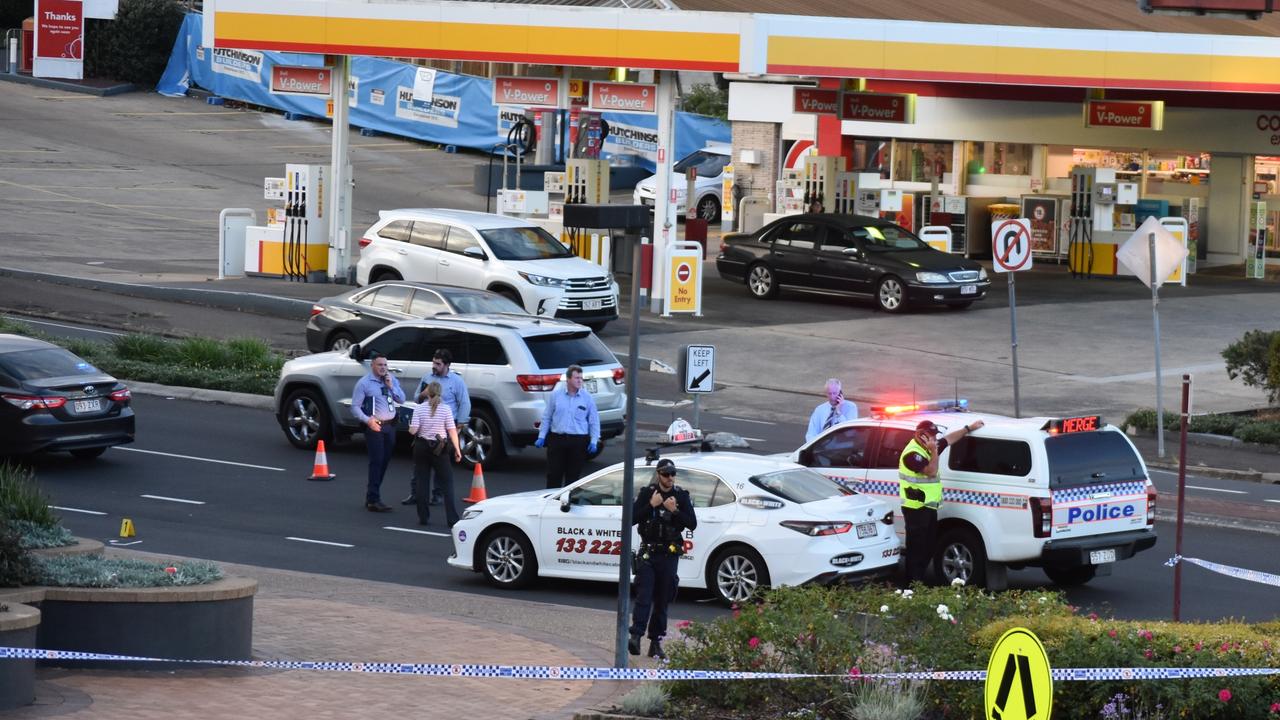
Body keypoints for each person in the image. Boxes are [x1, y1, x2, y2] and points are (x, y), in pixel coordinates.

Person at [898, 417, 984, 584]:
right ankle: (912, 585)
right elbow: (931, 471)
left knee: (929, 547)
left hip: (928, 508)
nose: (934, 439)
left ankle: (918, 582)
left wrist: (968, 428)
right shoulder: (912, 453)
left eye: (935, 435)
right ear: (921, 435)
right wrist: (934, 451)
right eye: (931, 435)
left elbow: (949, 439)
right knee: (917, 550)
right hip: (915, 509)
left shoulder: (929, 448)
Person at [628, 458, 697, 661]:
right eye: (666, 474)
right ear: (658, 474)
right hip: (648, 553)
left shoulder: (680, 496)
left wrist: (674, 510)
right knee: (644, 596)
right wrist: (651, 505)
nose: (670, 477)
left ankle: (655, 642)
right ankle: (636, 636)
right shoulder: (648, 493)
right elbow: (631, 518)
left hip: (669, 554)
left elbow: (692, 524)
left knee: (662, 600)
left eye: (673, 473)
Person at [402, 348, 471, 507]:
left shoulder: (456, 381)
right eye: (433, 362)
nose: (434, 366)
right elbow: (416, 399)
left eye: (438, 364)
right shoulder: (427, 377)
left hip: (443, 429)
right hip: (425, 426)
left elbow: (465, 403)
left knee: (441, 462)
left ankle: (437, 495)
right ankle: (415, 493)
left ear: (447, 365)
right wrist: (423, 394)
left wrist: (459, 424)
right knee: (419, 463)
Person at [351, 351, 405, 512]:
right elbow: (355, 407)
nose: (383, 368)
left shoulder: (390, 379)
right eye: (380, 365)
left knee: (385, 461)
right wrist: (368, 420)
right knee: (377, 461)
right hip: (375, 426)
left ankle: (372, 495)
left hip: (390, 426)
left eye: (385, 365)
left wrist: (391, 386)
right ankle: (373, 498)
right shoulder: (364, 384)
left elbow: (401, 399)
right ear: (372, 365)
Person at [534, 364, 599, 489]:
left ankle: (568, 502)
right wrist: (541, 436)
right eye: (576, 378)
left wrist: (594, 440)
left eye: (581, 378)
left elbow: (594, 421)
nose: (580, 380)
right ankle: (552, 501)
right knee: (554, 474)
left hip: (578, 441)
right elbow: (547, 417)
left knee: (573, 477)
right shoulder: (556, 396)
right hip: (557, 439)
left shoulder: (587, 398)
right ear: (568, 379)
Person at [408, 381, 463, 528]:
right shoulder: (446, 409)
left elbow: (413, 431)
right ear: (440, 393)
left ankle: (423, 517)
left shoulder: (419, 409)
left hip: (421, 447)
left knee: (422, 482)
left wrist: (411, 427)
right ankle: (452, 518)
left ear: (427, 392)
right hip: (440, 448)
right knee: (447, 483)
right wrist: (458, 450)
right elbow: (452, 431)